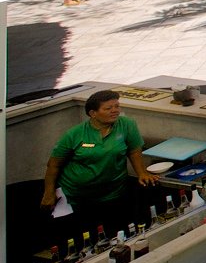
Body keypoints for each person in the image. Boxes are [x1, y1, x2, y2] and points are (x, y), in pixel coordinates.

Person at [42, 90, 157, 233]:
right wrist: (49, 193)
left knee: (112, 233)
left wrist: (142, 173)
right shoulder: (74, 134)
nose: (115, 111)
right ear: (93, 113)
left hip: (112, 194)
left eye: (117, 106)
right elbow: (54, 165)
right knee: (81, 235)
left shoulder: (126, 125)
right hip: (76, 197)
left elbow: (134, 150)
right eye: (108, 108)